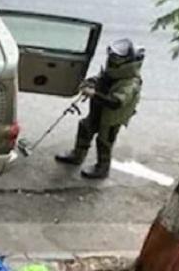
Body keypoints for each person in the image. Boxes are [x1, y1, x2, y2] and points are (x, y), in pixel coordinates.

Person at [54, 39, 144, 179]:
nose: (112, 61)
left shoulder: (130, 83)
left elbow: (116, 102)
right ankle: (77, 155)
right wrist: (90, 83)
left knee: (104, 142)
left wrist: (94, 94)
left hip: (111, 118)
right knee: (85, 128)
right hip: (97, 110)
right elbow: (100, 78)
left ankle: (102, 168)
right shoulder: (112, 73)